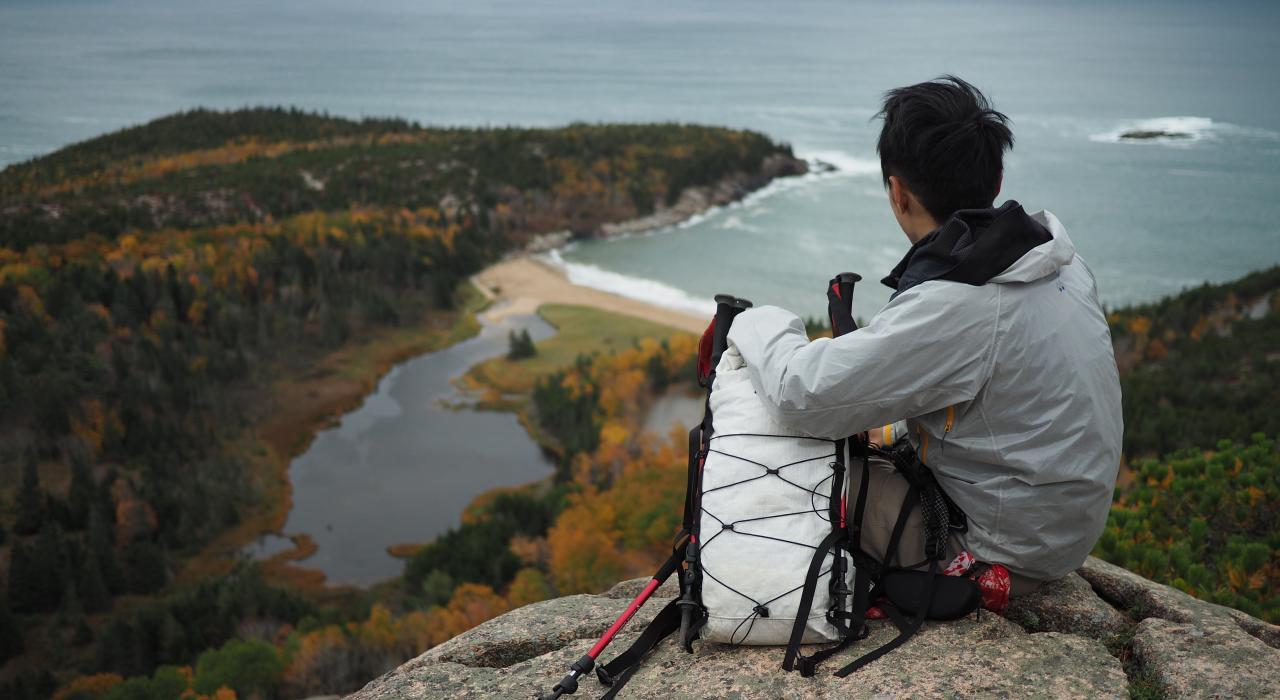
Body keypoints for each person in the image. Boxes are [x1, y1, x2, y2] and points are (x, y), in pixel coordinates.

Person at [725, 75, 1123, 596]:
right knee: (874, 434)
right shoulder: (1057, 260)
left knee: (782, 466)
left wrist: (753, 322)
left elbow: (798, 394)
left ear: (898, 192)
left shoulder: (960, 303)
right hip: (1053, 529)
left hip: (993, 551)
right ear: (997, 179)